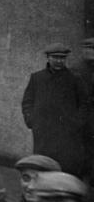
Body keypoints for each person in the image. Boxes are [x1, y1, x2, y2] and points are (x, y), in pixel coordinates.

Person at [20, 42, 91, 177]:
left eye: (62, 58)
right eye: (55, 57)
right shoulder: (37, 78)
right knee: (42, 166)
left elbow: (84, 104)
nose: (59, 61)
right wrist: (31, 120)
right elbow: (27, 101)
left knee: (65, 168)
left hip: (67, 134)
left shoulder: (75, 78)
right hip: (43, 132)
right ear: (48, 57)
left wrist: (77, 123)